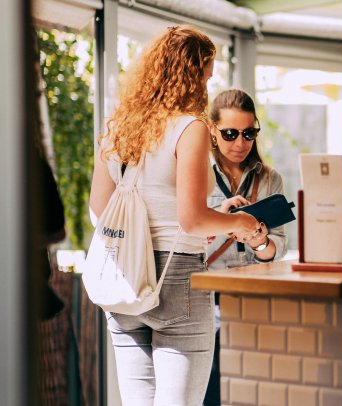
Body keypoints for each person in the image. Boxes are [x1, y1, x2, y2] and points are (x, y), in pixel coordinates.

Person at [88, 26, 261, 405]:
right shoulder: (190, 127)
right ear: (191, 74)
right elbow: (192, 221)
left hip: (124, 277)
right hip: (175, 277)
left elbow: (98, 210)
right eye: (206, 73)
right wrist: (238, 222)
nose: (208, 82)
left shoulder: (116, 129)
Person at [202, 89, 287, 405]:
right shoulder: (196, 175)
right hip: (204, 303)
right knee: (208, 394)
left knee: (250, 393)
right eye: (230, 133)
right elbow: (186, 242)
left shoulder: (269, 179)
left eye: (249, 133)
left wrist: (259, 240)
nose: (240, 143)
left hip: (251, 303)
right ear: (212, 130)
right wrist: (223, 223)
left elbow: (277, 249)